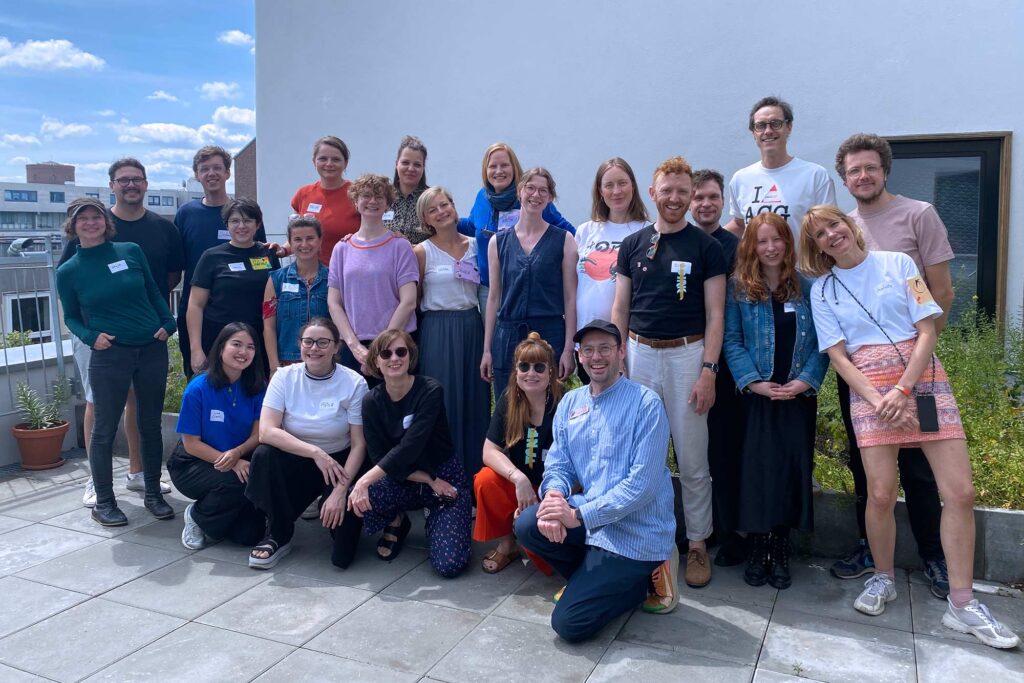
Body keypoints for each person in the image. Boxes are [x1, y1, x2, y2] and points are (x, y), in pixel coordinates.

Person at [801, 205, 1019, 649]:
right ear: (817, 246)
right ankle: (882, 578)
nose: (831, 235)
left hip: (922, 383)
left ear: (850, 225)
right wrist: (879, 398)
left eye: (834, 225)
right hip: (869, 393)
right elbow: (839, 356)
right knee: (880, 493)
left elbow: (927, 330)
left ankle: (963, 602)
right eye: (820, 234)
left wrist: (901, 390)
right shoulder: (822, 290)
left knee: (960, 492)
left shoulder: (899, 263)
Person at [830, 133, 953, 598]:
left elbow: (942, 293)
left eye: (870, 168)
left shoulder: (918, 214)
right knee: (867, 469)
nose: (862, 176)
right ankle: (870, 549)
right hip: (862, 380)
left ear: (885, 170)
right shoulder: (841, 226)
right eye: (853, 171)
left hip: (916, 375)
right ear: (844, 179)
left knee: (921, 467)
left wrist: (913, 365)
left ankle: (933, 556)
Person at [514, 320, 677, 640]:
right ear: (580, 356)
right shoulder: (572, 403)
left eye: (604, 348)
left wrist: (575, 515)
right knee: (528, 524)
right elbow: (559, 465)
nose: (596, 356)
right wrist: (554, 500)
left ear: (621, 353)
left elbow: (641, 486)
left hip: (634, 532)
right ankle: (589, 579)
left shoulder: (647, 404)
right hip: (590, 523)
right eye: (588, 350)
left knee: (569, 624)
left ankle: (642, 582)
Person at [611, 156, 727, 591]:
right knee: (642, 457)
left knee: (694, 458)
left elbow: (716, 315)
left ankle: (697, 543)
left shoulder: (706, 248)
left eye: (684, 191)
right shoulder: (634, 244)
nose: (675, 198)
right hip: (639, 354)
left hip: (688, 356)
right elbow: (620, 308)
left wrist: (709, 371)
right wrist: (619, 358)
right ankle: (649, 539)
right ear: (654, 192)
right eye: (668, 190)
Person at [59, 158, 179, 507]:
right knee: (101, 418)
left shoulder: (133, 249)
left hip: (148, 343)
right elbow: (70, 313)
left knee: (147, 419)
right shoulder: (69, 268)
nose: (92, 223)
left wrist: (167, 323)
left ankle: (148, 485)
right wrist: (90, 335)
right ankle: (101, 492)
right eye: (84, 218)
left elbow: (157, 289)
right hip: (105, 346)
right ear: (74, 226)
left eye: (96, 217)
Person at [723, 213, 828, 589]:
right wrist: (754, 382)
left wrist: (804, 382)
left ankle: (780, 544)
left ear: (787, 243)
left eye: (776, 240)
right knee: (756, 472)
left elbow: (824, 343)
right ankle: (757, 544)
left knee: (790, 471)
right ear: (751, 246)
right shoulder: (738, 288)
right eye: (761, 242)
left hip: (796, 396)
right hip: (757, 398)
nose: (769, 248)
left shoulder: (809, 288)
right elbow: (731, 341)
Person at [245, 318, 368, 569]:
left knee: (342, 557)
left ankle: (330, 505)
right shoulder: (284, 377)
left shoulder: (354, 383)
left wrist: (340, 491)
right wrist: (314, 452)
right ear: (299, 344)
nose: (314, 348)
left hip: (339, 465)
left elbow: (359, 445)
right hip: (297, 459)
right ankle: (278, 533)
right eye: (308, 342)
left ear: (336, 347)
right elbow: (266, 432)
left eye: (323, 342)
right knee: (263, 455)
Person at [348, 330, 472, 578]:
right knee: (360, 499)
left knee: (449, 565)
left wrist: (362, 480)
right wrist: (427, 480)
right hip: (406, 479)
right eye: (386, 353)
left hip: (443, 477)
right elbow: (378, 455)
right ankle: (397, 519)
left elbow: (410, 447)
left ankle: (439, 522)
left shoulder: (430, 390)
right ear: (376, 361)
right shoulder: (371, 401)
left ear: (410, 356)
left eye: (401, 352)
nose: (394, 358)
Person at [689, 168, 746, 567]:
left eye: (712, 197)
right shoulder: (681, 242)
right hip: (682, 357)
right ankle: (697, 531)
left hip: (726, 363)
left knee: (724, 449)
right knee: (691, 451)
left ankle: (731, 532)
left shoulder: (738, 248)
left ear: (722, 201)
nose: (706, 204)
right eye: (699, 198)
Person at [413, 187, 489, 478]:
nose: (441, 211)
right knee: (441, 403)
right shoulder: (421, 252)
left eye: (444, 204)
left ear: (454, 207)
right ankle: (442, 480)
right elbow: (415, 299)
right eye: (433, 209)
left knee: (475, 403)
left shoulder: (477, 245)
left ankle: (474, 477)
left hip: (472, 327)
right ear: (426, 218)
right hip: (437, 331)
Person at [169, 323, 267, 550]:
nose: (243, 352)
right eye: (237, 344)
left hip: (238, 458)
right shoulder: (199, 387)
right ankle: (197, 517)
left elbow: (258, 434)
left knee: (250, 535)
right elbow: (191, 444)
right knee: (238, 480)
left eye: (250, 347)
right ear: (221, 347)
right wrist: (231, 462)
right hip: (194, 463)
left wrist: (237, 454)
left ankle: (217, 518)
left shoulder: (257, 386)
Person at [480, 167, 578, 393]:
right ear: (519, 191)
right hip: (508, 338)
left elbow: (570, 298)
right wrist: (487, 349)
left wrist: (567, 348)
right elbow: (493, 298)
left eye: (543, 190)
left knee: (548, 408)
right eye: (530, 188)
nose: (536, 195)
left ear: (550, 197)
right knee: (509, 408)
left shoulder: (564, 240)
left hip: (550, 335)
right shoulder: (498, 242)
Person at [473, 332, 562, 574]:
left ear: (550, 372)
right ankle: (507, 545)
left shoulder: (564, 402)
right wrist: (518, 478)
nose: (530, 373)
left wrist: (547, 499)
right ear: (516, 371)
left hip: (556, 493)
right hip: (522, 490)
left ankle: (535, 537)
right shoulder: (510, 399)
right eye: (524, 366)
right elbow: (489, 450)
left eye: (539, 367)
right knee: (485, 479)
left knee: (551, 566)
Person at [175, 146, 268, 377]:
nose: (211, 173)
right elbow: (175, 264)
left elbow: (262, 256)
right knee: (203, 381)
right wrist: (196, 346)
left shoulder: (245, 212)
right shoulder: (187, 213)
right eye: (204, 169)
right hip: (202, 317)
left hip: (251, 324)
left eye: (217, 168)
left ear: (227, 173)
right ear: (197, 175)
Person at [327, 174, 419, 386]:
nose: (373, 201)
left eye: (379, 196)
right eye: (366, 196)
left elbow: (409, 301)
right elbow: (334, 302)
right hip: (353, 348)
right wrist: (353, 345)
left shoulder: (400, 247)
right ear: (356, 202)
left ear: (387, 204)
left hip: (395, 347)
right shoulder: (342, 249)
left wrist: (381, 348)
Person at [462, 143, 575, 314]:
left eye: (505, 165)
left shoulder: (532, 198)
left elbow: (568, 233)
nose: (499, 171)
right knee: (495, 340)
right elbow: (472, 226)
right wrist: (442, 218)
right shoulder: (482, 197)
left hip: (528, 292)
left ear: (514, 168)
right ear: (485, 171)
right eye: (492, 166)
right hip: (490, 292)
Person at [574, 157, 649, 382]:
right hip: (587, 344)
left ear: (633, 186)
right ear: (600, 191)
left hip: (624, 345)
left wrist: (621, 345)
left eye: (622, 183)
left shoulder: (647, 231)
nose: (616, 191)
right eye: (609, 185)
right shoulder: (585, 231)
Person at [187, 198, 280, 376]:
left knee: (255, 393)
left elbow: (274, 301)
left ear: (257, 224)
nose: (241, 226)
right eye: (235, 221)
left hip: (259, 339)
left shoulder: (268, 254)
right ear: (226, 225)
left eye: (247, 220)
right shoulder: (211, 257)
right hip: (219, 339)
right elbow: (195, 305)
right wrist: (196, 349)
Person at [724, 95, 836, 240]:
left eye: (775, 123)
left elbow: (829, 225)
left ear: (789, 127)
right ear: (753, 133)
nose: (768, 131)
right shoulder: (740, 179)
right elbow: (739, 224)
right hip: (757, 263)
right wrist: (703, 236)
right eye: (761, 125)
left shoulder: (814, 175)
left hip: (801, 263)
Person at [263, 215, 329, 373]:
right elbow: (269, 327)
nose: (304, 244)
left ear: (320, 241)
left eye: (310, 238)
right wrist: (274, 367)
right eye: (298, 239)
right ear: (290, 243)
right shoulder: (276, 279)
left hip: (325, 362)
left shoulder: (333, 279)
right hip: (287, 364)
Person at [291, 135, 361, 264]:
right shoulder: (303, 194)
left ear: (345, 163)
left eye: (336, 159)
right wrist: (283, 249)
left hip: (348, 272)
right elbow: (298, 235)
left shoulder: (359, 194)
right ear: (314, 162)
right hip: (312, 274)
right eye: (323, 159)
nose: (329, 164)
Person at [386, 135, 430, 244]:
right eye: (405, 163)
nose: (410, 169)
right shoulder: (383, 196)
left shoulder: (432, 200)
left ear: (423, 168)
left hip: (420, 260)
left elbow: (444, 235)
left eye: (417, 164)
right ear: (397, 164)